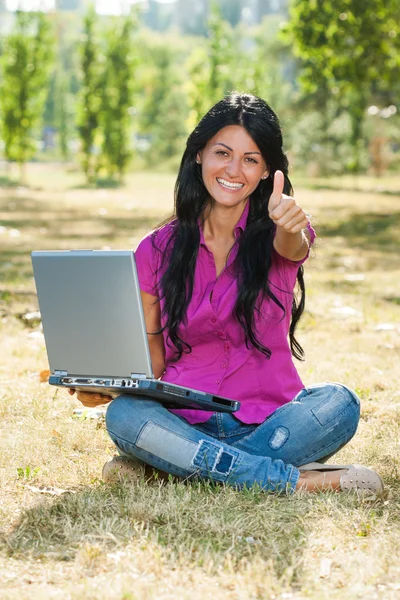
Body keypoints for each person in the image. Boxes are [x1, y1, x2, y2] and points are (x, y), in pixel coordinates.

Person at [69, 93, 383, 494]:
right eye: (222, 153)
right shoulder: (155, 249)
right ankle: (289, 481)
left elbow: (295, 245)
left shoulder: (280, 233)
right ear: (199, 154)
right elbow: (151, 360)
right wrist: (109, 386)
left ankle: (173, 469)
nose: (234, 170)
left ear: (267, 170)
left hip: (273, 422)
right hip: (182, 420)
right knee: (125, 413)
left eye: (251, 159)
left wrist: (290, 224)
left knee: (340, 403)